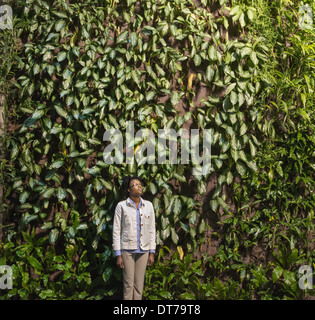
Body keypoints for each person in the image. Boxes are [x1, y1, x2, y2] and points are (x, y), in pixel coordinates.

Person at [112, 176, 156, 300]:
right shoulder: (121, 206)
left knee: (139, 284)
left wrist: (152, 252)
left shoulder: (149, 206)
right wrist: (118, 254)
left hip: (144, 250)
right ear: (128, 190)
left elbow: (152, 229)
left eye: (140, 184)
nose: (139, 186)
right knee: (128, 284)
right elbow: (116, 230)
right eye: (135, 185)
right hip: (127, 250)